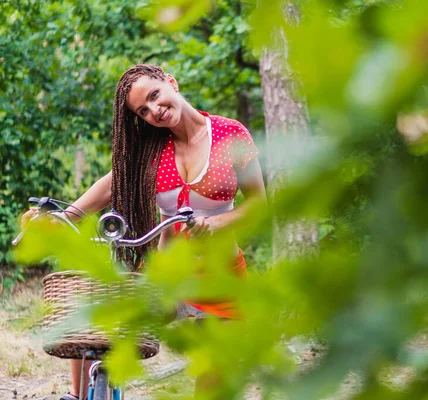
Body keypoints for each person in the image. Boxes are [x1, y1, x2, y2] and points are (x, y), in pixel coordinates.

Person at [22, 64, 267, 400]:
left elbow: (259, 204)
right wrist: (66, 215)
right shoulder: (151, 147)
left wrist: (217, 223)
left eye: (155, 96)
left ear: (171, 82)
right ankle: (82, 395)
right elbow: (113, 183)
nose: (155, 111)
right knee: (101, 323)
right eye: (143, 110)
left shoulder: (230, 134)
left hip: (222, 279)